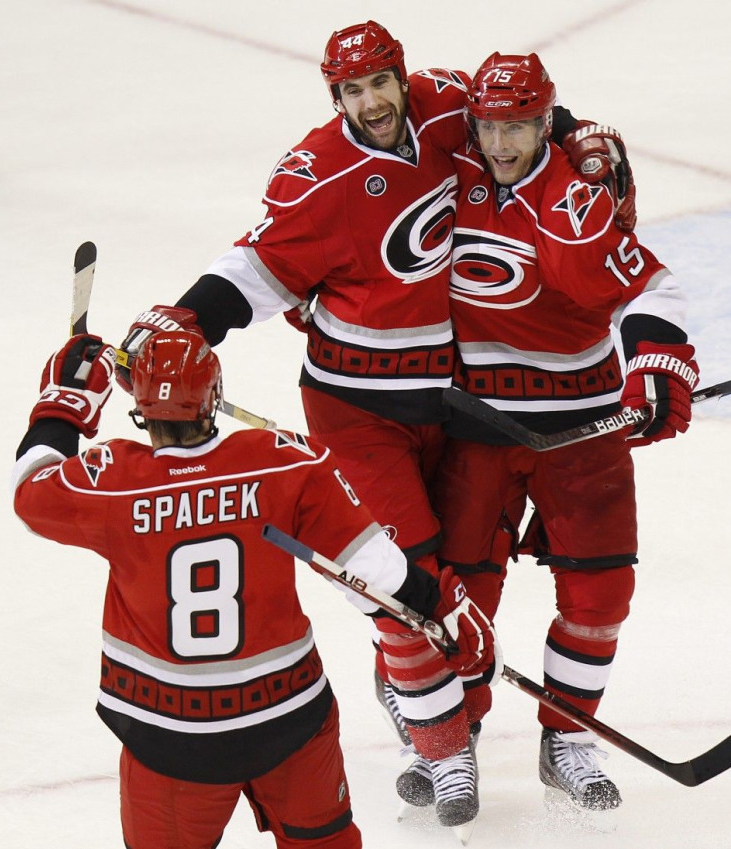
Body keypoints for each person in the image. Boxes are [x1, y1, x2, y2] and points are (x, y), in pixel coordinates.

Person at [115, 21, 637, 822]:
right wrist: (186, 319)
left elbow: (519, 112)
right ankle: (442, 748)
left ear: (400, 75)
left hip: (458, 404)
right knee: (407, 590)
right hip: (358, 410)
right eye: (352, 92)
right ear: (335, 97)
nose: (372, 102)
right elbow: (253, 267)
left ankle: (447, 711)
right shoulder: (315, 171)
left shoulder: (442, 102)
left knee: (468, 586)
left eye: (379, 83)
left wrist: (584, 135)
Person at [11, 330, 498, 847]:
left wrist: (63, 405)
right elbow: (377, 577)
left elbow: (30, 489)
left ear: (140, 407)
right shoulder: (285, 461)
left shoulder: (111, 481)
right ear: (215, 397)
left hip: (169, 737)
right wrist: (443, 609)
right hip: (289, 720)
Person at [434, 52, 699, 815]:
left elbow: (649, 284)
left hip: (581, 425)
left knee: (600, 591)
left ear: (545, 121)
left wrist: (651, 363)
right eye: (489, 125)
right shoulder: (451, 177)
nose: (501, 141)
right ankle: (457, 738)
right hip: (476, 423)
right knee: (461, 592)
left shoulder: (574, 201)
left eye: (518, 125)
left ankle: (570, 737)